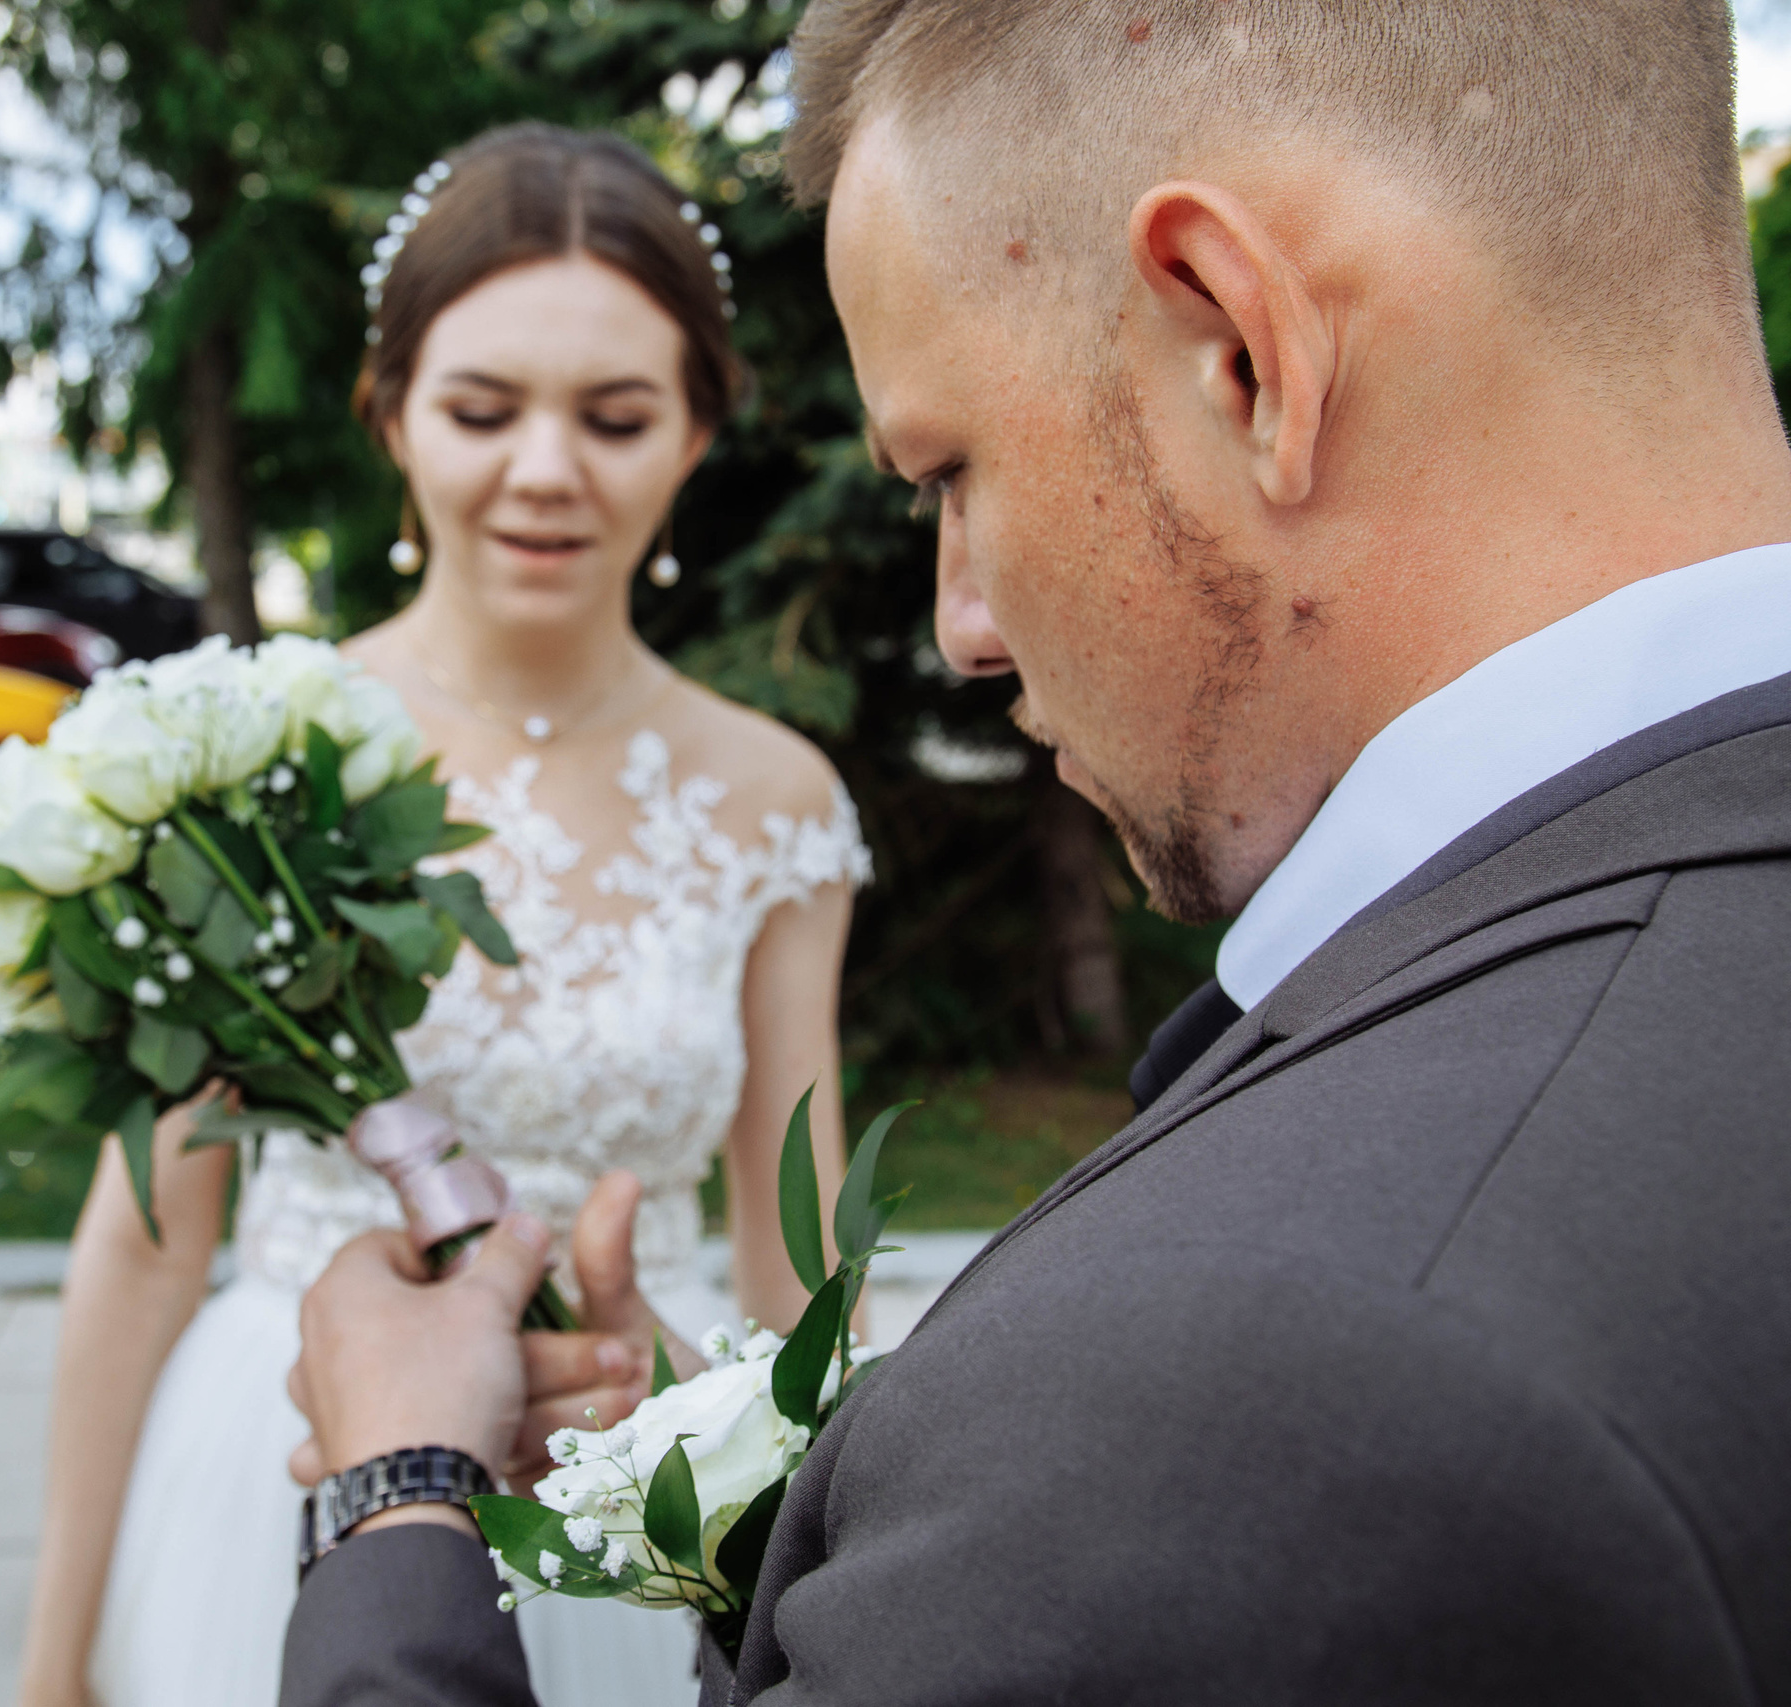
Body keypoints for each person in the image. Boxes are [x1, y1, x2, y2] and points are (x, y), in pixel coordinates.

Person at [277, 4, 1791, 1703]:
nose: (961, 627)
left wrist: (395, 1499)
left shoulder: (1274, 1387)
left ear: (1242, 352)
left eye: (950, 470)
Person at [14, 124, 871, 1707]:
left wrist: (829, 1591)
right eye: (484, 409)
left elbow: (796, 1265)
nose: (546, 470)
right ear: (392, 415)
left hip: (628, 1484)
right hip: (279, 1464)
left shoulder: (778, 804)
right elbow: (146, 1240)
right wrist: (50, 1663)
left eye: (615, 416)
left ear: (696, 434)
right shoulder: (257, 768)